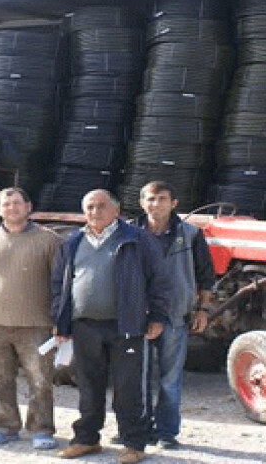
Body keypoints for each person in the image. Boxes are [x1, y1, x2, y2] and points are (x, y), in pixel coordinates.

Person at [51, 190, 172, 464]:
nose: (95, 212)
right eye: (89, 207)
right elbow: (59, 285)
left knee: (128, 388)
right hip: (84, 327)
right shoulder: (73, 242)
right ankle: (87, 439)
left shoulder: (138, 240)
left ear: (116, 210)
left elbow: (160, 282)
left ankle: (134, 444)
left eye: (101, 206)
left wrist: (157, 317)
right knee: (88, 387)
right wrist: (60, 321)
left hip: (127, 326)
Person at [0, 187, 63, 450]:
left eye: (18, 203)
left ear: (29, 207)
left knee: (40, 380)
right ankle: (5, 427)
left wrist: (59, 320)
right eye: (6, 205)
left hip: (37, 324)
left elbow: (60, 284)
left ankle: (41, 430)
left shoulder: (49, 240)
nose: (12, 208)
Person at [136, 181, 215, 450]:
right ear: (141, 203)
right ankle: (137, 429)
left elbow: (206, 277)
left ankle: (167, 432)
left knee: (170, 379)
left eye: (161, 199)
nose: (155, 204)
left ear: (174, 204)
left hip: (175, 317)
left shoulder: (191, 235)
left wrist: (202, 310)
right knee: (135, 378)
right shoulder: (128, 233)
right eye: (150, 199)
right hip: (137, 317)